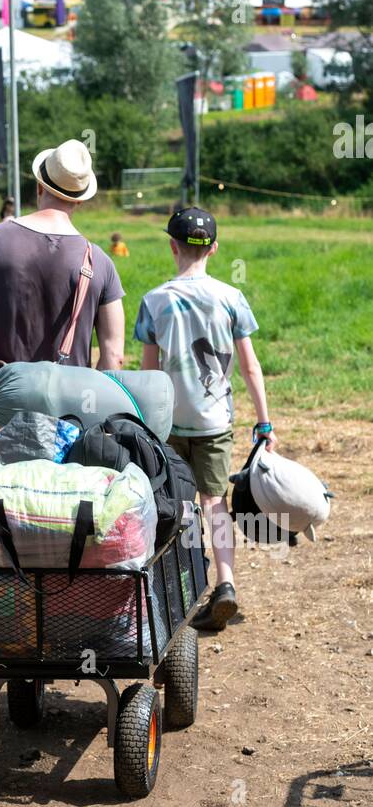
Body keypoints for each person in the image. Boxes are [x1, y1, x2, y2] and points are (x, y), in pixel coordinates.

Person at [134, 207, 277, 632]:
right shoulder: (233, 298)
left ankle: (174, 589)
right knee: (215, 502)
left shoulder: (154, 300)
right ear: (214, 248)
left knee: (174, 505)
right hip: (215, 419)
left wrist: (142, 424)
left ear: (172, 246)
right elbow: (251, 368)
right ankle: (226, 583)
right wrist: (264, 423)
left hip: (169, 421)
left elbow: (148, 372)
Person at [0, 139, 125, 370]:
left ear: (39, 186)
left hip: (5, 398)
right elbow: (114, 355)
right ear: (79, 200)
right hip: (72, 402)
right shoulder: (100, 262)